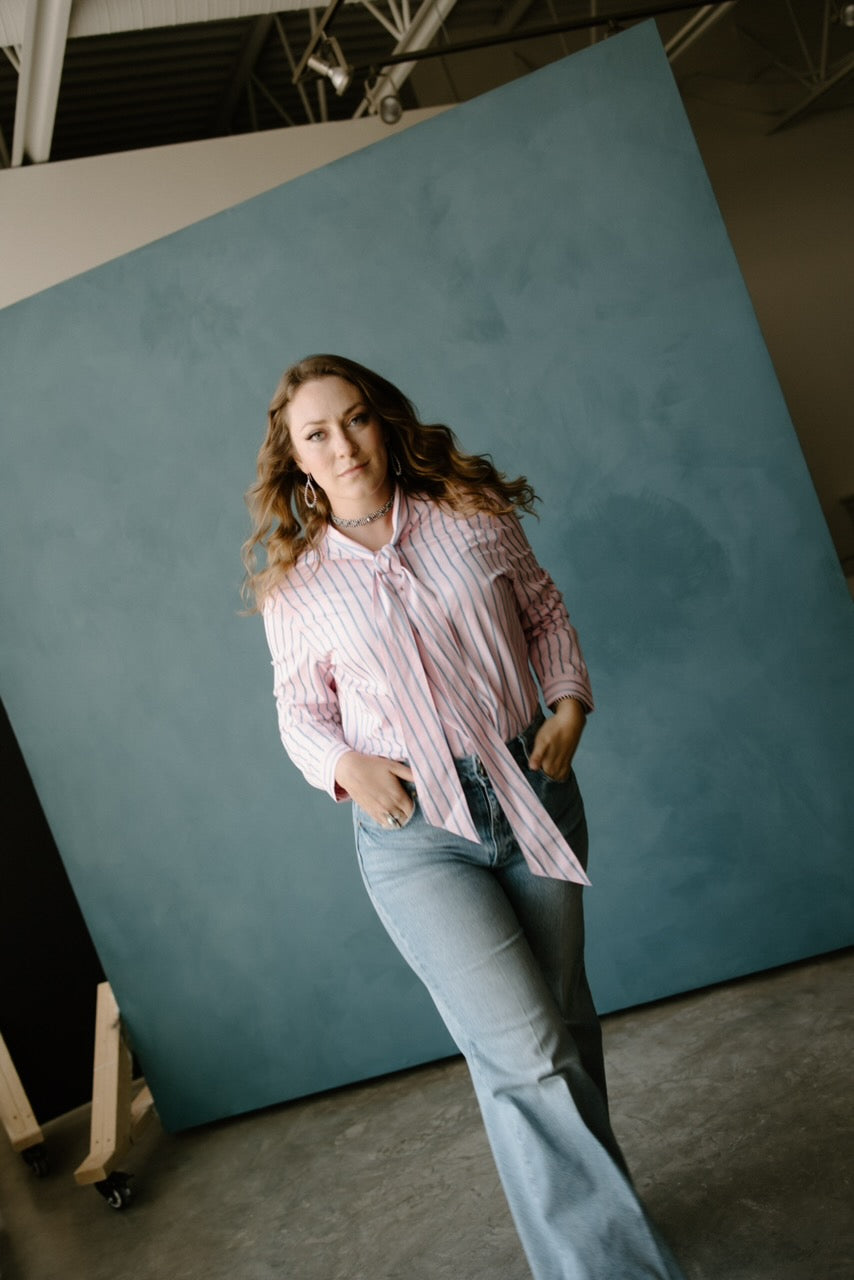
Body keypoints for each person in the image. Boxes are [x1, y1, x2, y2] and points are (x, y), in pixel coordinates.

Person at [243, 354, 685, 1280]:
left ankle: (600, 1225)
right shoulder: (295, 586)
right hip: (415, 837)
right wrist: (343, 764)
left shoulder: (472, 515)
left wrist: (567, 703)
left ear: (383, 423)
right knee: (523, 1052)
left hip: (532, 795)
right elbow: (299, 710)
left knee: (562, 1025)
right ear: (295, 458)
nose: (343, 443)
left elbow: (544, 609)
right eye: (317, 433)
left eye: (356, 419)